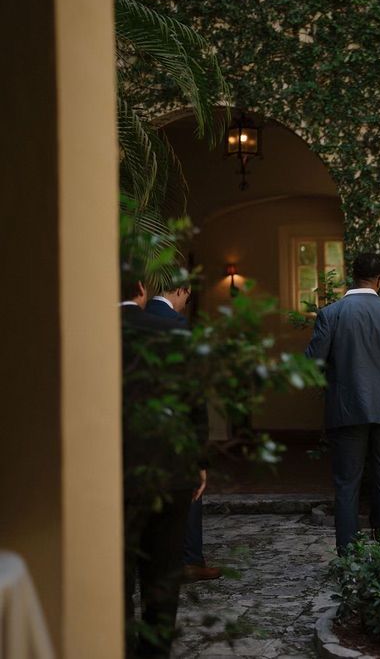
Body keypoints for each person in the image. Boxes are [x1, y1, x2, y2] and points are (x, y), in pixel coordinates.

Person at [305, 252, 380, 553]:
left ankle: (348, 556)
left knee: (347, 485)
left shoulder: (331, 314)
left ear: (352, 275)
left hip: (345, 407)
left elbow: (311, 364)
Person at [122, 276, 197, 656]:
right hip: (171, 468)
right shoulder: (175, 330)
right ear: (141, 289)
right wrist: (199, 461)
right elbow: (194, 402)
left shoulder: (88, 333)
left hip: (117, 472)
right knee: (163, 578)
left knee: (116, 579)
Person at [145, 278, 221, 583]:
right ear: (182, 290)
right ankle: (189, 559)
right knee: (189, 491)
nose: (185, 305)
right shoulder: (180, 327)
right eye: (187, 299)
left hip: (141, 426)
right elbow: (194, 396)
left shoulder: (131, 321)